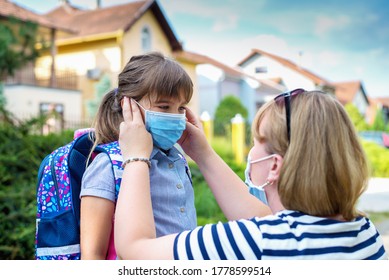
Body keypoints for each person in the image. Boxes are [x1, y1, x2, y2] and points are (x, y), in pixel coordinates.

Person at [114, 89, 388, 260]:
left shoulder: (257, 243)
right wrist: (202, 153)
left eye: (257, 140)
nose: (251, 149)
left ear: (274, 165)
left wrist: (136, 157)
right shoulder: (364, 232)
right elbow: (272, 222)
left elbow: (136, 251)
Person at [80, 52, 197, 259]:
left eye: (181, 108)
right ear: (128, 105)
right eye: (164, 106)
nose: (176, 116)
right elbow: (92, 256)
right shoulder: (109, 164)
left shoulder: (176, 159)